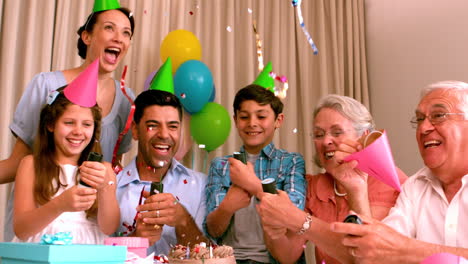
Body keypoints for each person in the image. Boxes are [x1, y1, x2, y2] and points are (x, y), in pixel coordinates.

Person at [1, 4, 136, 241]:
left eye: (126, 32)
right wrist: (58, 202)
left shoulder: (127, 101)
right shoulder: (45, 85)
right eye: (109, 28)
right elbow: (17, 162)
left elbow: (113, 170)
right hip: (38, 217)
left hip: (89, 224)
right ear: (87, 36)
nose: (119, 38)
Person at [256, 94, 407, 264]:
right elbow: (287, 255)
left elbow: (363, 254)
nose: (326, 141)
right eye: (319, 134)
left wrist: (298, 219)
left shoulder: (387, 179)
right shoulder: (315, 185)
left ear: (363, 135)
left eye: (337, 132)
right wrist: (274, 229)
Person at [331, 81, 468, 263]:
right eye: (419, 119)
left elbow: (397, 249)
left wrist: (406, 249)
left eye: (438, 115)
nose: (424, 128)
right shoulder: (415, 187)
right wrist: (357, 188)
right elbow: (376, 255)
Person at [205, 84, 306, 263]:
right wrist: (228, 205)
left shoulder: (291, 162)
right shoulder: (220, 165)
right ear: (235, 120)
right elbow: (212, 230)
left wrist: (253, 185)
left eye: (261, 116)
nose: (252, 123)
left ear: (278, 120)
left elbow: (294, 215)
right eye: (244, 117)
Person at [12, 87, 119, 244]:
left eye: (87, 124)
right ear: (50, 125)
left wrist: (104, 188)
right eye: (69, 123)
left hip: (87, 252)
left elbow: (109, 228)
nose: (78, 131)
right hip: (42, 251)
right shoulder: (31, 165)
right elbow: (21, 230)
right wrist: (60, 205)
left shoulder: (104, 170)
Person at [115, 89, 207, 255]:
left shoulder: (201, 186)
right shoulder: (111, 187)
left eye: (172, 126)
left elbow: (210, 258)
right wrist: (137, 239)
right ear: (135, 131)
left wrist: (183, 220)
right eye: (152, 125)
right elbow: (96, 255)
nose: (164, 135)